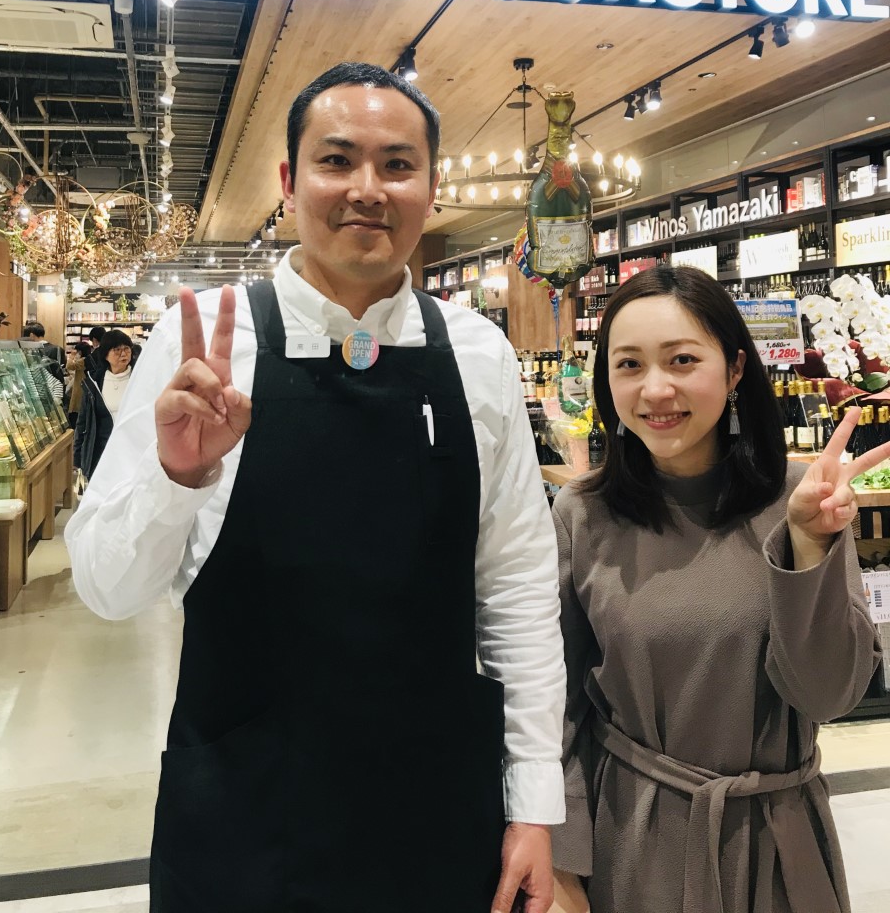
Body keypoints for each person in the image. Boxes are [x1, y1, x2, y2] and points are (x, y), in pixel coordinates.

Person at [66, 62, 567, 913]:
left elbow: (517, 587)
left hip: (435, 806)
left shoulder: (478, 353)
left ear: (430, 189)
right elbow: (107, 590)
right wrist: (176, 477)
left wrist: (534, 804)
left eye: (397, 165)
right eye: (337, 160)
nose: (368, 189)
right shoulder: (202, 343)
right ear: (290, 183)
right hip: (243, 810)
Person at [550, 265, 885, 913]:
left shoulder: (802, 499)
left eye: (682, 360)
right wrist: (561, 863)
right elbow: (556, 710)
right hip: (638, 845)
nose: (656, 389)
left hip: (782, 849)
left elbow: (830, 695)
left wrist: (808, 547)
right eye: (629, 364)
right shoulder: (583, 515)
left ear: (734, 370)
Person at [73, 330, 135, 480]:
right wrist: (77, 457)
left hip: (132, 453)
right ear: (106, 354)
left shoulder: (139, 379)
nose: (123, 354)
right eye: (117, 350)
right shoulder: (94, 382)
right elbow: (83, 421)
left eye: (127, 348)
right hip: (101, 453)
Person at [66, 340, 94, 429]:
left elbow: (69, 366)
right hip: (83, 387)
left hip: (80, 389)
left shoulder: (83, 360)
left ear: (80, 352)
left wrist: (71, 356)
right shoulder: (88, 360)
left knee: (76, 411)